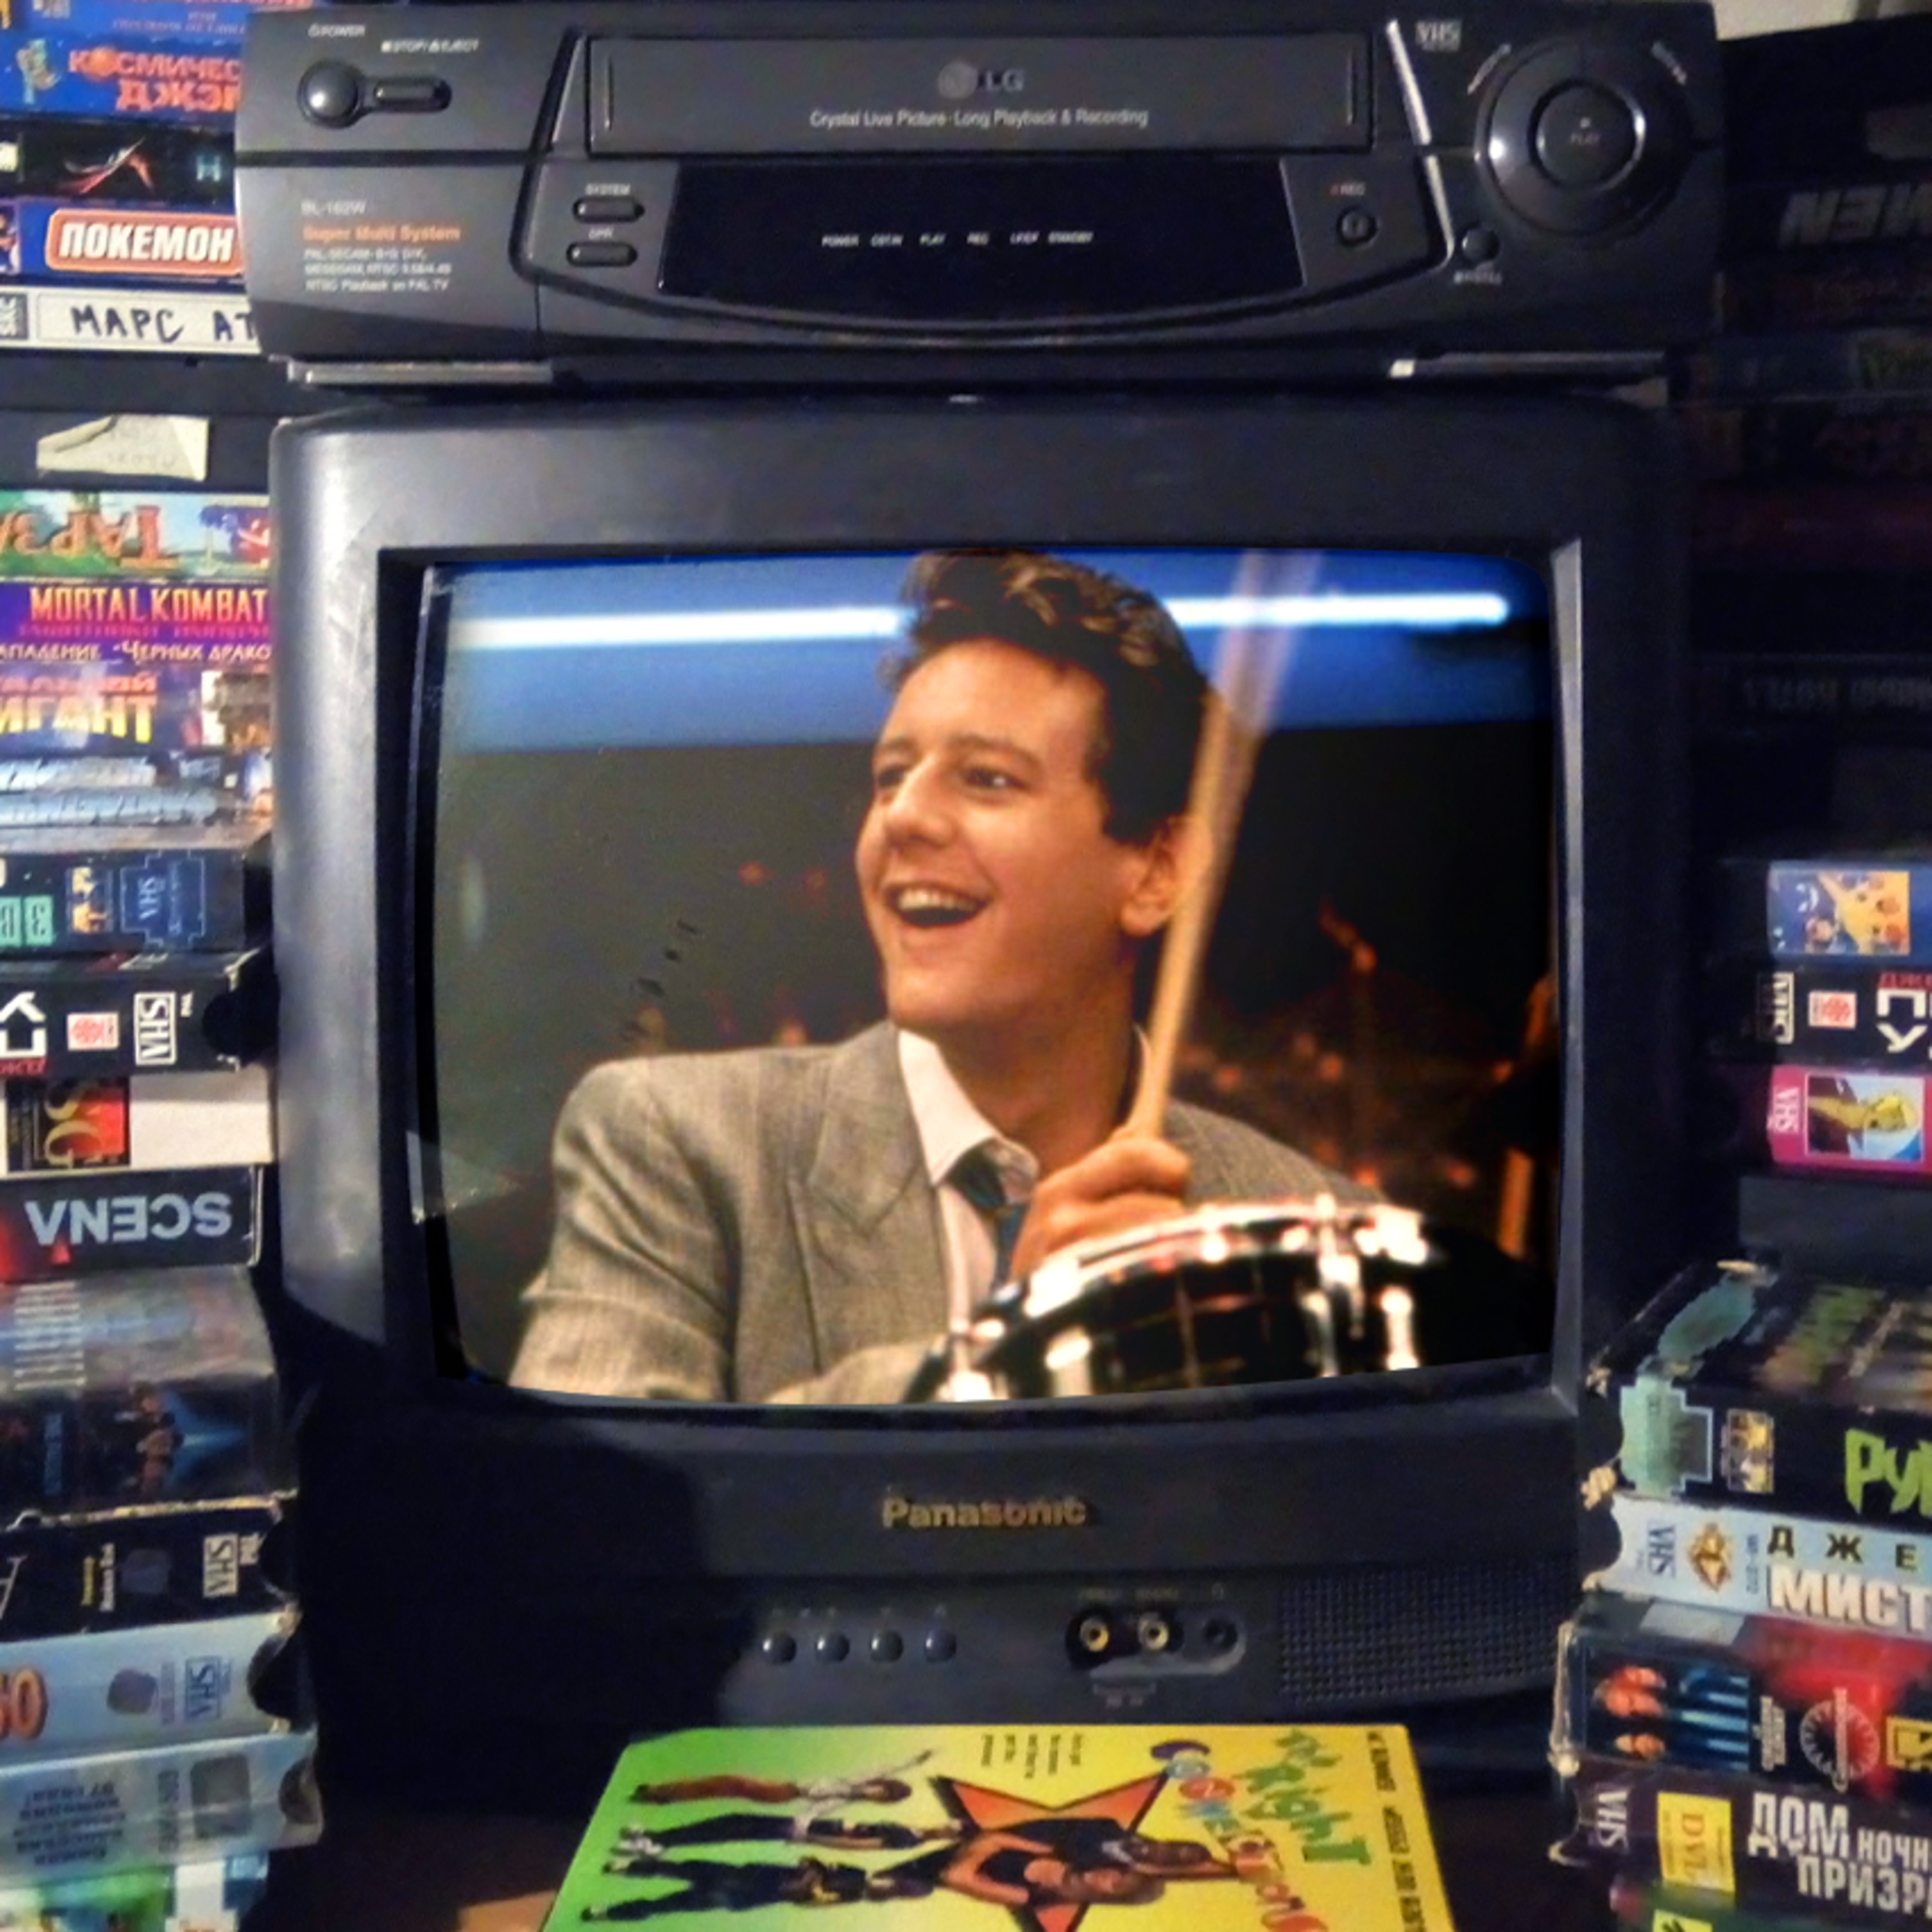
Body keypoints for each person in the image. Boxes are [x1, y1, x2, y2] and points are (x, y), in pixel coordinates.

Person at [512, 549, 1365, 1403]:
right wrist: (1009, 1355)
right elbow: (598, 1483)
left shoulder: (1304, 1226)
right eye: (891, 777)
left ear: (1157, 870)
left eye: (987, 779)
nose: (903, 816)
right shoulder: (675, 1145)